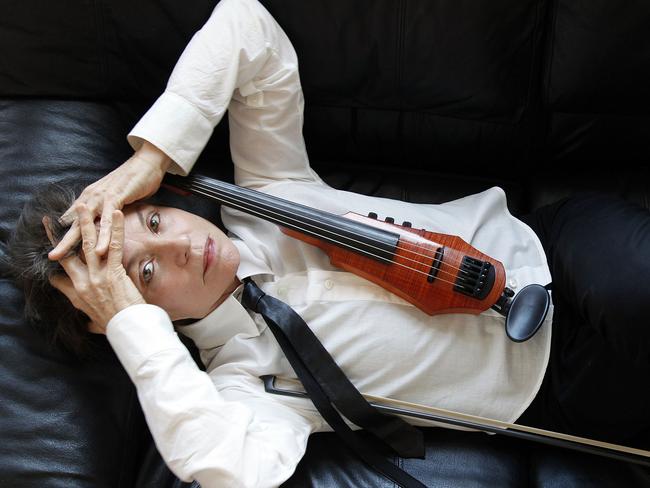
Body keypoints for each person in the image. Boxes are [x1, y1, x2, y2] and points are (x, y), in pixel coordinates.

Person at [8, 0, 649, 486]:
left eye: (151, 222)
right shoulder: (248, 387)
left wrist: (154, 154)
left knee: (634, 291)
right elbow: (228, 469)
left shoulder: (270, 189)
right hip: (557, 384)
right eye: (144, 273)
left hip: (557, 252)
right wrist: (128, 323)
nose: (176, 244)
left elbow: (246, 23)